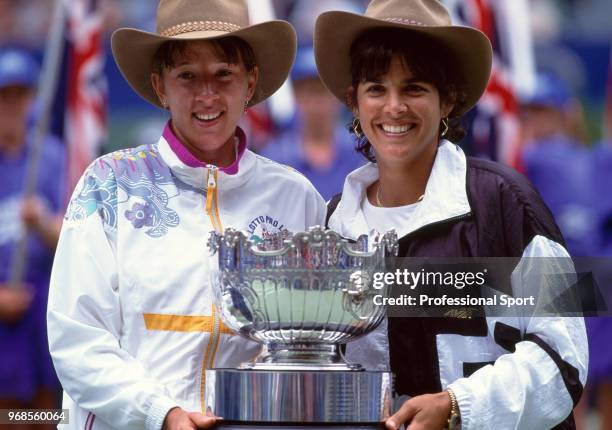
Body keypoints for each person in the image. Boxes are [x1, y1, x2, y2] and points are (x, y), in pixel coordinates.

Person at [47, 1, 326, 429]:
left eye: (223, 74)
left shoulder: (295, 196)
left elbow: (312, 344)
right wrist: (162, 415)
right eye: (187, 76)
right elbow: (77, 337)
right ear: (160, 87)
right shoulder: (107, 184)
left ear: (250, 82)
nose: (207, 95)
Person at [315, 0, 587, 429]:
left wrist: (459, 406)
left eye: (415, 88)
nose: (394, 107)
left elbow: (567, 358)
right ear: (354, 101)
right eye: (376, 89)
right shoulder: (334, 223)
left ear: (449, 101)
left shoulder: (511, 201)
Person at [0, 47, 64, 427]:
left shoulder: (52, 157)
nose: (12, 105)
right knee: (6, 416)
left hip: (42, 304)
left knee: (47, 413)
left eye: (19, 95)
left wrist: (40, 223)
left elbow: (74, 242)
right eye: (3, 96)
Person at [260, 45, 364, 201]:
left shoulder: (361, 152)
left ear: (340, 96)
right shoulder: (273, 159)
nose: (317, 103)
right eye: (310, 92)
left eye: (324, 92)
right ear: (296, 95)